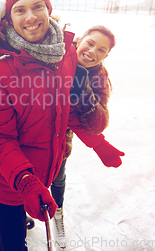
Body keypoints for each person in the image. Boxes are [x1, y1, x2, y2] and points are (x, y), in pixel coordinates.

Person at [0, 0, 118, 251]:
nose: (30, 17)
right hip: (11, 181)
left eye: (37, 6)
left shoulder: (65, 53)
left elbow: (65, 110)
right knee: (13, 243)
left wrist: (98, 143)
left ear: (48, 9)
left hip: (48, 167)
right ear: (9, 17)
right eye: (20, 9)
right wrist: (25, 181)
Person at [50, 25, 125, 244]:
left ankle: (58, 212)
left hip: (60, 139)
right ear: (80, 39)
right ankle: (28, 209)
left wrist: (83, 93)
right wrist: (98, 144)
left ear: (106, 55)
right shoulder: (57, 53)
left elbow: (98, 123)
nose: (92, 52)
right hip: (32, 131)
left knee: (57, 177)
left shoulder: (99, 77)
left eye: (101, 50)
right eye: (90, 43)